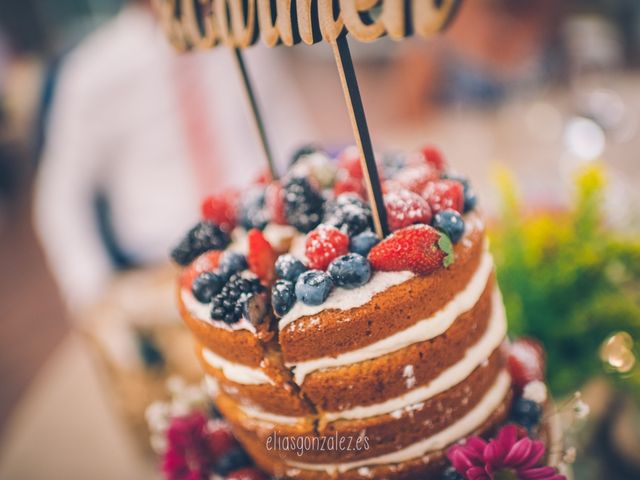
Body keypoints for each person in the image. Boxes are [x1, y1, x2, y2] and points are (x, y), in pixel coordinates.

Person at [34, 0, 311, 314]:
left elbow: (286, 130)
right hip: (160, 271)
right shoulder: (91, 73)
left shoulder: (244, 32)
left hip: (262, 241)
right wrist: (96, 296)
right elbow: (62, 199)